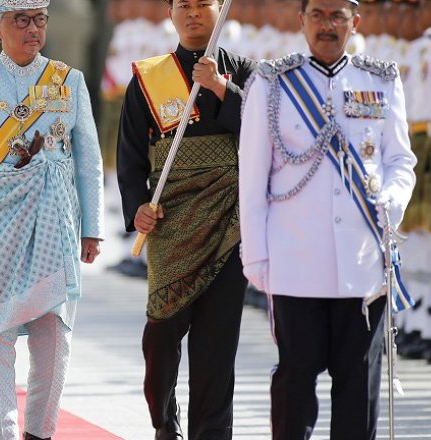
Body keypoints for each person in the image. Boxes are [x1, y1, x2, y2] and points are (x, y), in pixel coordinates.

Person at [238, 0, 417, 436]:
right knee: (296, 381)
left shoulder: (381, 80)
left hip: (362, 264)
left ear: (355, 22)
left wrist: (391, 202)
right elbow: (253, 177)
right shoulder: (272, 83)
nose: (327, 25)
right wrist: (256, 256)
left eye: (338, 16)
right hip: (295, 262)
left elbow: (400, 160)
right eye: (317, 15)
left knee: (358, 382)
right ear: (301, 21)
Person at [0, 0, 104, 438]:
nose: (33, 29)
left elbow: (88, 159)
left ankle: (40, 432)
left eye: (39, 20)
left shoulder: (69, 81)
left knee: (54, 336)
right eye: (21, 20)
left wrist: (92, 228)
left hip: (54, 222)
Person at [116, 0, 256, 438]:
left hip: (229, 224)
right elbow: (130, 156)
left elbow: (265, 132)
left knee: (217, 347)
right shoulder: (149, 78)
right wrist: (137, 206)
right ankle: (164, 421)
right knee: (161, 335)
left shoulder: (246, 72)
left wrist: (220, 88)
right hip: (170, 221)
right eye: (184, 5)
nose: (193, 12)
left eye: (203, 4)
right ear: (171, 12)